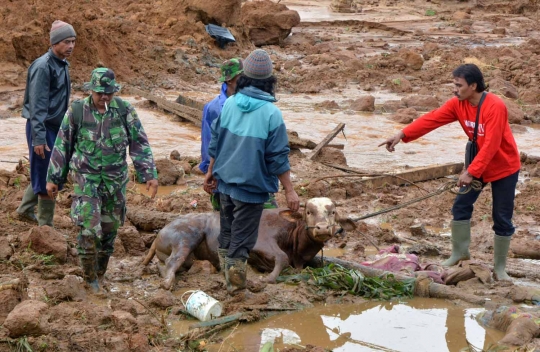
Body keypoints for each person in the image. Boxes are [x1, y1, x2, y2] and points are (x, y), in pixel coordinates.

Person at [379, 63, 520, 281]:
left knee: (501, 216)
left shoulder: (495, 106)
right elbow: (432, 119)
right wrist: (402, 134)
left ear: (473, 85)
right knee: (460, 206)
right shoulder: (458, 104)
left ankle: (500, 268)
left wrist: (470, 172)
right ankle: (459, 253)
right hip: (477, 164)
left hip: (503, 166)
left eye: (458, 85)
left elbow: (491, 145)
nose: (454, 89)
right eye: (453, 85)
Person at [46, 67, 159, 293]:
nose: (104, 97)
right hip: (86, 181)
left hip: (115, 183)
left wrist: (148, 174)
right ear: (91, 90)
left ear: (114, 91)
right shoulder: (77, 111)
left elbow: (139, 143)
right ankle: (90, 280)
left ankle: (100, 272)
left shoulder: (125, 111)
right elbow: (62, 145)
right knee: (88, 231)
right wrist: (54, 178)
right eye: (99, 93)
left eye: (108, 93)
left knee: (109, 233)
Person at [204, 49, 300, 295]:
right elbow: (277, 157)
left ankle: (228, 279)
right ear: (269, 81)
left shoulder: (230, 104)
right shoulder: (271, 113)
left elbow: (216, 142)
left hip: (224, 182)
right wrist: (290, 190)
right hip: (251, 188)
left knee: (228, 232)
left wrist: (210, 172)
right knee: (243, 239)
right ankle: (236, 289)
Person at [16, 20, 76, 226]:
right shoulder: (43, 67)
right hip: (41, 127)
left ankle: (24, 209)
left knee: (46, 170)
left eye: (73, 42)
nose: (71, 46)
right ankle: (46, 228)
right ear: (54, 43)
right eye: (66, 42)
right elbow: (37, 106)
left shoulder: (61, 64)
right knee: (46, 174)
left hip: (54, 127)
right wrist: (39, 138)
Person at [199, 58, 243, 210]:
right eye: (242, 78)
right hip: (221, 175)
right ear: (230, 80)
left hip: (245, 175)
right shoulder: (213, 108)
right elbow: (208, 143)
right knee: (222, 223)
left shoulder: (250, 102)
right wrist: (209, 172)